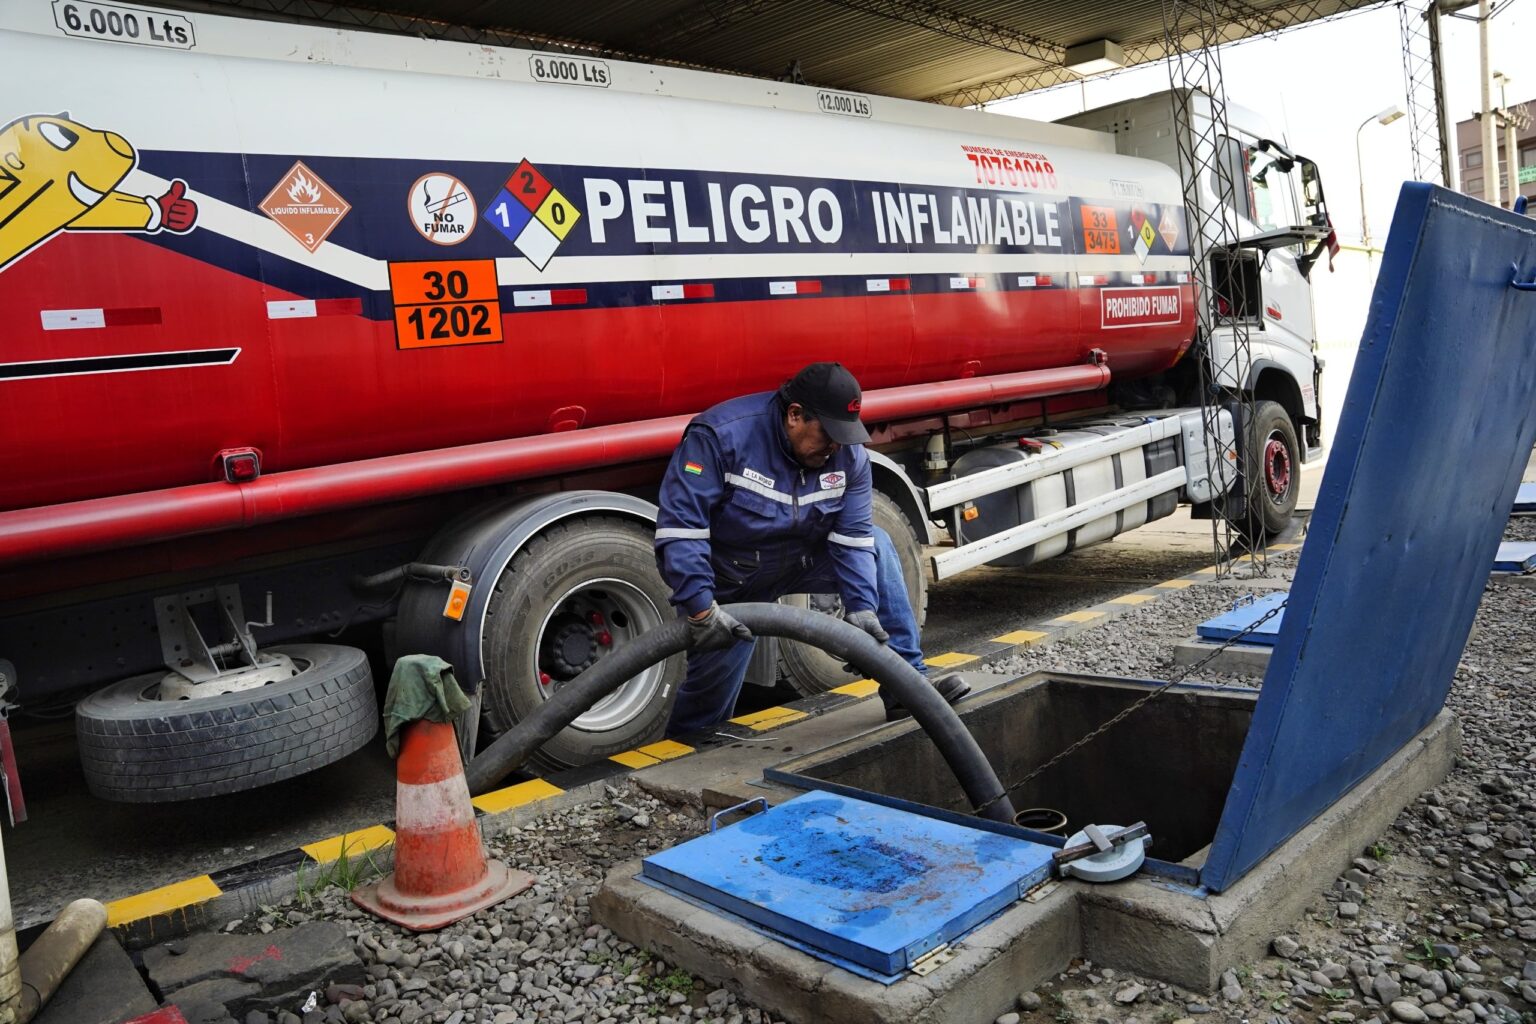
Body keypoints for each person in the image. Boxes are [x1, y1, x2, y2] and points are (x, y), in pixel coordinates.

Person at [654, 361, 970, 735]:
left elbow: (852, 537)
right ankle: (688, 749)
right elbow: (682, 528)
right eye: (828, 433)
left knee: (879, 543)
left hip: (804, 561)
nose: (836, 445)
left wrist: (863, 608)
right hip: (734, 581)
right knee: (705, 706)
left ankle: (908, 686)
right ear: (794, 415)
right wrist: (702, 609)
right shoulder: (720, 437)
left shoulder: (847, 455)